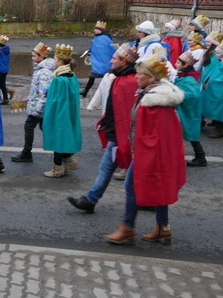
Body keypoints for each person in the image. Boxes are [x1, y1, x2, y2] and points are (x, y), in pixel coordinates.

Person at [105, 54, 186, 246]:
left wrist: (140, 154)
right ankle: (163, 228)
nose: (136, 77)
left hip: (149, 154)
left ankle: (127, 227)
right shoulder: (151, 95)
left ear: (151, 78)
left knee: (131, 186)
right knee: (159, 185)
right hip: (151, 153)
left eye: (140, 74)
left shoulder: (154, 101)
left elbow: (152, 136)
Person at [67, 43, 139, 214]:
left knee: (116, 170)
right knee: (109, 169)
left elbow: (127, 114)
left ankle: (94, 201)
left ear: (124, 62)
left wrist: (119, 135)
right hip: (116, 132)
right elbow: (114, 107)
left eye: (114, 58)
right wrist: (106, 120)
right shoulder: (120, 78)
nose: (111, 61)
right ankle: (91, 200)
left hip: (120, 135)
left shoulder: (127, 82)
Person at [42, 44, 82, 178]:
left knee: (57, 136)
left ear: (59, 61)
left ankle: (57, 168)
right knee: (64, 135)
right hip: (69, 112)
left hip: (59, 113)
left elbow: (54, 100)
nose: (54, 62)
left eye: (54, 59)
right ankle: (69, 161)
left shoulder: (59, 79)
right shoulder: (72, 76)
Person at [11, 42, 55, 163]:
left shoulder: (44, 71)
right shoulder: (40, 69)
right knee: (45, 128)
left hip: (38, 108)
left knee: (29, 126)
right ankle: (64, 153)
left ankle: (27, 153)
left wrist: (37, 109)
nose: (32, 58)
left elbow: (44, 93)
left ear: (42, 57)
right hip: (38, 106)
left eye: (34, 56)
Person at [174, 51, 206, 167]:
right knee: (190, 132)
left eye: (178, 62)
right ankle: (200, 156)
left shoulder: (189, 79)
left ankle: (200, 157)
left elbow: (193, 95)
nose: (175, 63)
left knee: (190, 131)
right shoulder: (185, 76)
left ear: (185, 65)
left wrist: (178, 95)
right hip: (186, 110)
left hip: (189, 110)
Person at [81, 21, 114, 98]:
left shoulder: (104, 39)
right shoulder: (99, 38)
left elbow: (106, 50)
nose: (94, 30)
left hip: (103, 62)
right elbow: (96, 48)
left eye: (96, 29)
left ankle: (87, 91)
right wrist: (90, 52)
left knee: (104, 76)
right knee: (93, 75)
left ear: (100, 30)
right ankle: (85, 91)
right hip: (100, 62)